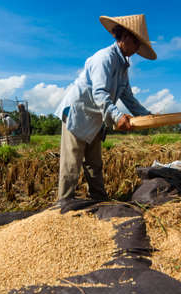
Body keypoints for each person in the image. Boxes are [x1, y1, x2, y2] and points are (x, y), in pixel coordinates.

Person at [54, 14, 156, 201]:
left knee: (94, 164)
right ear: (125, 37)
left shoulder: (123, 66)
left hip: (96, 117)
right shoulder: (105, 58)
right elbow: (99, 93)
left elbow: (127, 96)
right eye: (136, 43)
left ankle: (99, 200)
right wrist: (117, 117)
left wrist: (148, 117)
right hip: (79, 114)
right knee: (71, 164)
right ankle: (63, 205)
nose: (137, 49)